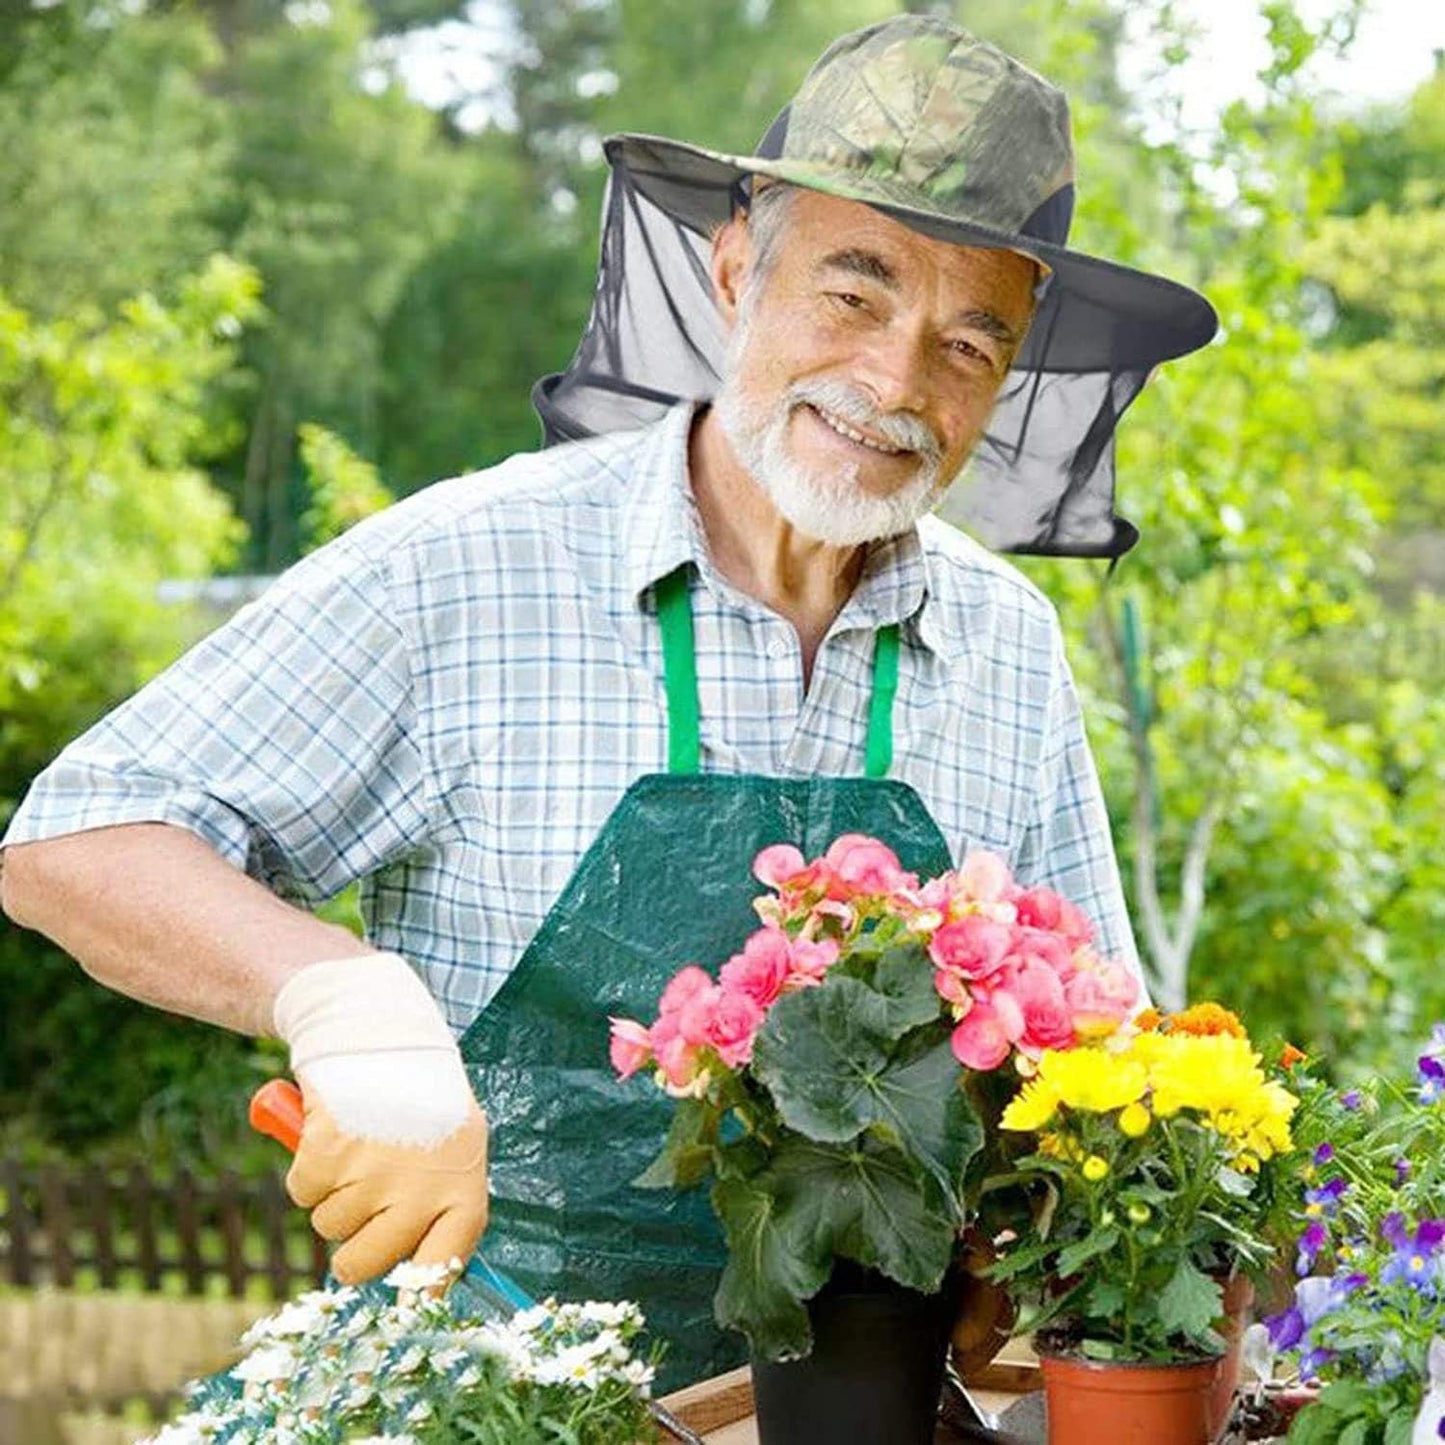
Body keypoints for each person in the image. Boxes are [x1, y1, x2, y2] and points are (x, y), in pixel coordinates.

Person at [0, 15, 1214, 1389]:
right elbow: (78, 839)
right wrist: (343, 999)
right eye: (853, 294)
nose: (892, 382)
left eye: (964, 342)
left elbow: (1104, 1058)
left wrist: (1069, 1230)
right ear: (735, 266)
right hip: (480, 1396)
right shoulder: (463, 566)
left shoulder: (1006, 644)